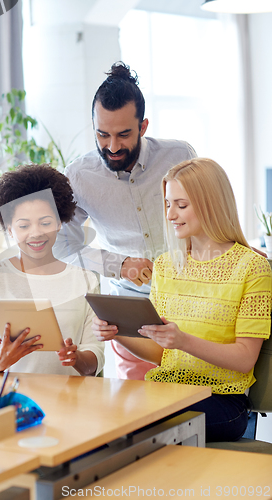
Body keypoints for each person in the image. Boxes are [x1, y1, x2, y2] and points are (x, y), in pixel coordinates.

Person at [92, 158, 272, 442]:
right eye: (167, 204)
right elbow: (161, 353)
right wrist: (116, 334)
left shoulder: (252, 268)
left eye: (181, 205)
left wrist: (184, 341)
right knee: (103, 414)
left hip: (223, 402)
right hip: (167, 392)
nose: (170, 214)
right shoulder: (165, 266)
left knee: (131, 426)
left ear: (211, 204)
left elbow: (244, 359)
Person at [53, 61, 197, 380]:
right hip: (132, 313)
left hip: (191, 300)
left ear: (143, 127)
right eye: (102, 135)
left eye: (123, 134)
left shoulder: (179, 155)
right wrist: (119, 265)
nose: (113, 146)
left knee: (199, 398)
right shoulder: (79, 176)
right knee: (141, 411)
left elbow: (208, 214)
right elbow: (62, 244)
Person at [0, 164, 105, 376]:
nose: (36, 234)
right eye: (24, 226)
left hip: (72, 401)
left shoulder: (85, 280)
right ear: (9, 229)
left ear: (59, 222)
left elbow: (95, 358)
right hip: (12, 398)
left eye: (45, 222)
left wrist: (76, 358)